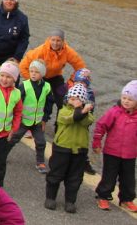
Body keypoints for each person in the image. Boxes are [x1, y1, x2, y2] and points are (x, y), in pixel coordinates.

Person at [45, 83, 95, 214]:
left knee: (75, 177)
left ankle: (70, 201)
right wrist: (81, 110)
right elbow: (70, 119)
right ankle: (50, 197)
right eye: (71, 98)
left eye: (77, 98)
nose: (73, 100)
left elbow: (86, 121)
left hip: (79, 150)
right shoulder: (63, 110)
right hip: (62, 147)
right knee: (55, 174)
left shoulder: (87, 115)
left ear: (83, 101)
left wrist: (83, 111)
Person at [93, 80, 137, 212]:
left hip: (130, 153)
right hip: (112, 151)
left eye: (130, 99)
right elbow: (101, 126)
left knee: (128, 178)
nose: (126, 101)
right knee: (109, 175)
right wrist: (97, 142)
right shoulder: (115, 112)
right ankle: (103, 196)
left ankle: (126, 199)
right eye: (124, 98)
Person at [20, 29, 86, 110]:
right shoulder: (40, 50)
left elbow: (81, 67)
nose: (55, 43)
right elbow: (23, 66)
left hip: (56, 77)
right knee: (39, 99)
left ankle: (60, 121)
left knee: (62, 99)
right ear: (49, 39)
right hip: (40, 77)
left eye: (58, 40)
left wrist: (71, 82)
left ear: (63, 41)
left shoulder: (68, 51)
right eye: (53, 40)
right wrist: (32, 79)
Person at [7, 59, 54, 173]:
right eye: (31, 71)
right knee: (13, 139)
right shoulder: (25, 85)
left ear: (42, 74)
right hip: (23, 120)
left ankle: (40, 162)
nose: (33, 74)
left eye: (36, 72)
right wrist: (15, 118)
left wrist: (44, 119)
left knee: (41, 142)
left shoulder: (47, 87)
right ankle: (2, 156)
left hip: (37, 121)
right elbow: (17, 102)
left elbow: (49, 104)